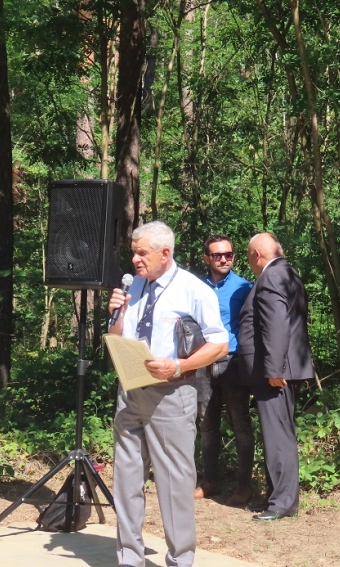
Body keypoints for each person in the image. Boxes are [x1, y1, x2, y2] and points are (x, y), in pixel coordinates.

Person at [107, 221, 229, 567]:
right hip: (130, 391)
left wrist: (178, 365)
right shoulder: (133, 286)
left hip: (171, 394)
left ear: (165, 253)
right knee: (126, 478)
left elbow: (220, 344)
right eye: (133, 252)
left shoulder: (193, 289)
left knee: (175, 482)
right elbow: (116, 335)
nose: (135, 259)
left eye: (141, 253)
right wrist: (118, 313)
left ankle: (180, 559)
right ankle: (129, 558)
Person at [237, 232, 314, 521]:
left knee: (278, 436)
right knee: (278, 434)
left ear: (256, 255)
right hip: (284, 368)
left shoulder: (270, 277)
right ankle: (277, 496)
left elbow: (276, 326)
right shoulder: (289, 273)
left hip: (276, 372)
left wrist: (274, 369)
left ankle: (282, 503)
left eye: (249, 258)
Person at [194, 235, 254, 506]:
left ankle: (244, 486)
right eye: (217, 255)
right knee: (207, 425)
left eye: (228, 255)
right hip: (203, 362)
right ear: (207, 258)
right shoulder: (196, 287)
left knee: (241, 425)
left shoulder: (245, 287)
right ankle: (210, 481)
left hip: (233, 362)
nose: (223, 260)